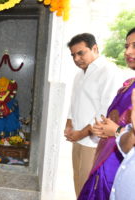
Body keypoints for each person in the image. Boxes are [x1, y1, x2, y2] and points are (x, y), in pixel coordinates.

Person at [79, 27, 135, 200]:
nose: (128, 51)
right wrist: (102, 129)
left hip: (120, 164)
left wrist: (116, 131)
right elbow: (116, 119)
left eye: (134, 46)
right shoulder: (129, 84)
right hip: (107, 159)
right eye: (127, 46)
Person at [64, 33, 123, 196]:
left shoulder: (108, 71)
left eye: (80, 53)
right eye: (73, 55)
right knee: (78, 181)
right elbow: (74, 102)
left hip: (94, 141)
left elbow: (106, 110)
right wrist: (69, 124)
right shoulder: (79, 74)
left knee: (89, 187)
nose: (76, 58)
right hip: (77, 138)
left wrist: (82, 133)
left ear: (95, 48)